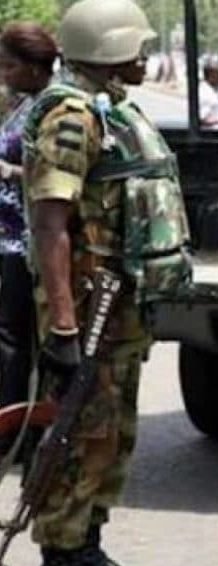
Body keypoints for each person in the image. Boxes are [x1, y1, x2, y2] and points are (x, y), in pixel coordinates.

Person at [22, 0, 190, 566]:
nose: (144, 58)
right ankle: (62, 554)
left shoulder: (108, 108)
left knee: (110, 435)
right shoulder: (72, 118)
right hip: (87, 307)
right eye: (137, 47)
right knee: (80, 432)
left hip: (116, 306)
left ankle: (86, 543)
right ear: (108, 49)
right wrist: (64, 326)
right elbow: (50, 223)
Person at [0, 23, 57, 411]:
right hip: (9, 236)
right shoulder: (23, 103)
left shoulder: (52, 108)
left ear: (34, 68)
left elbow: (57, 175)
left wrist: (10, 172)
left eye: (10, 66)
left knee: (17, 338)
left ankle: (18, 425)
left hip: (30, 241)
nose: (4, 75)